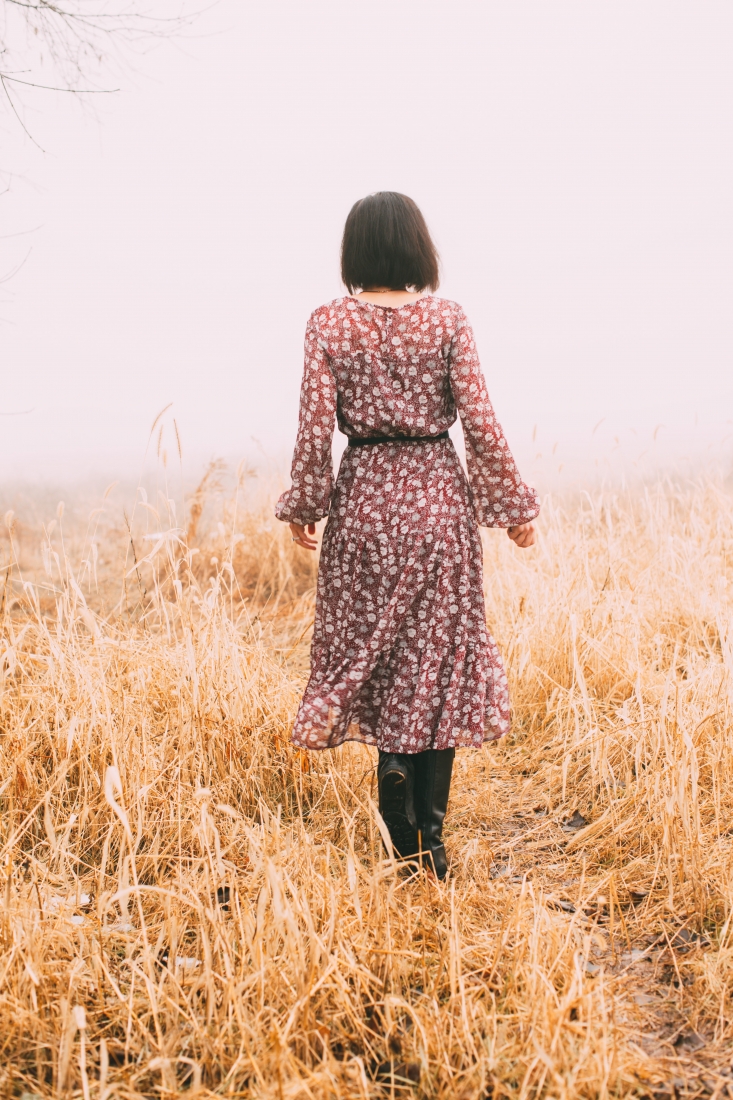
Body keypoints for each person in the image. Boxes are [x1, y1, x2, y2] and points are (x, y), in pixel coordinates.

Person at [276, 192, 539, 878]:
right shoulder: (446, 318)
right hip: (435, 500)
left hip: (363, 499)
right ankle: (433, 843)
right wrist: (513, 506)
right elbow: (478, 420)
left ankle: (394, 780)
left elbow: (312, 428)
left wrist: (305, 501)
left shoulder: (327, 323)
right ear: (419, 249)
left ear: (353, 252)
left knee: (376, 651)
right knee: (439, 660)